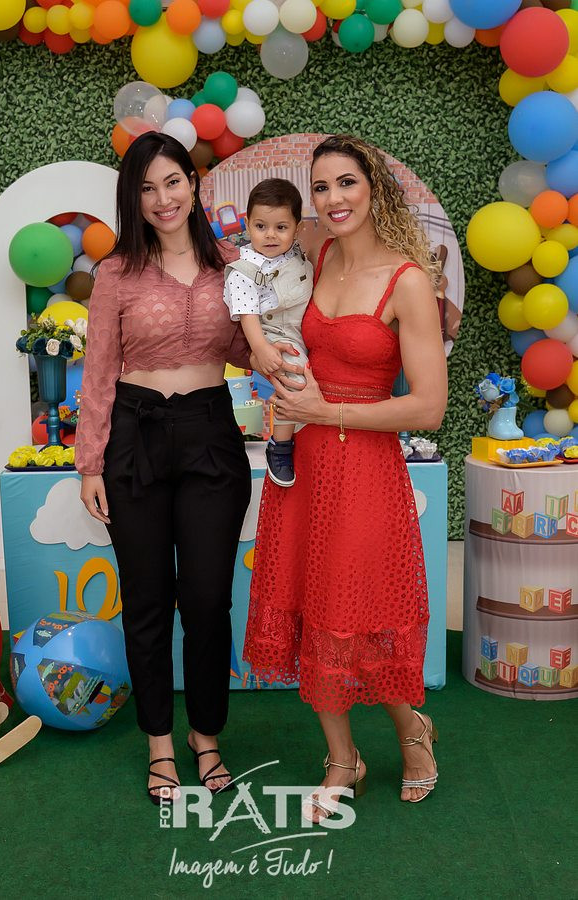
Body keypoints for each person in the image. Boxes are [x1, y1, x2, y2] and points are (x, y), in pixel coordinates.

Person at [75, 133, 295, 805]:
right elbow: (99, 374)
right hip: (133, 439)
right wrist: (90, 465)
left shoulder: (231, 264)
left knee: (206, 598)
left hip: (209, 436)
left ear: (194, 185)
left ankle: (206, 735)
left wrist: (285, 348)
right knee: (146, 600)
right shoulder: (116, 273)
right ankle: (159, 744)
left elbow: (250, 348)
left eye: (172, 181)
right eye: (146, 188)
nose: (162, 198)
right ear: (133, 198)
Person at [243, 134, 448, 821]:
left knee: (362, 610)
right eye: (321, 186)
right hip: (302, 463)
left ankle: (413, 732)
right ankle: (342, 759)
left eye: (347, 183)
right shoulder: (315, 255)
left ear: (374, 188)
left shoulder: (407, 281)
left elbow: (429, 406)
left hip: (364, 469)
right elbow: (254, 291)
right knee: (310, 605)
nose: (333, 198)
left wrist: (325, 410)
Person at [223, 178, 313, 487]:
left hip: (303, 325)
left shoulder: (296, 255)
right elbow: (248, 315)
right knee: (294, 377)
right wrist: (261, 348)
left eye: (281, 227)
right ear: (248, 224)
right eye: (261, 226)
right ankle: (281, 445)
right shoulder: (244, 269)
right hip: (274, 333)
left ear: (297, 228)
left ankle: (309, 430)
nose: (270, 235)